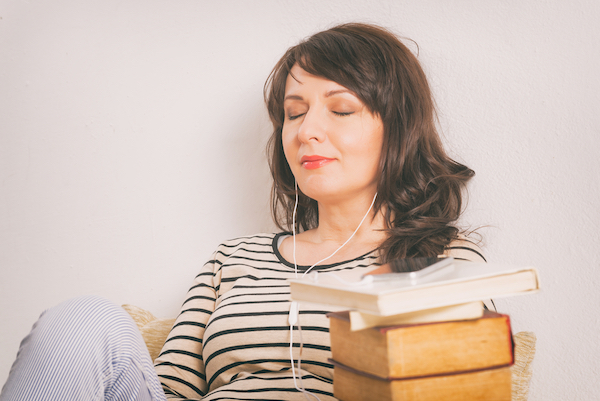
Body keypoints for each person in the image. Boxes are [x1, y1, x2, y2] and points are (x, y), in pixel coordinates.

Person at [0, 23, 485, 401]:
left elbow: (458, 382)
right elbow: (171, 389)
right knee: (84, 318)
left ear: (398, 128)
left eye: (340, 109)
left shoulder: (439, 257)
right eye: (294, 113)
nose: (306, 131)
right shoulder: (233, 258)